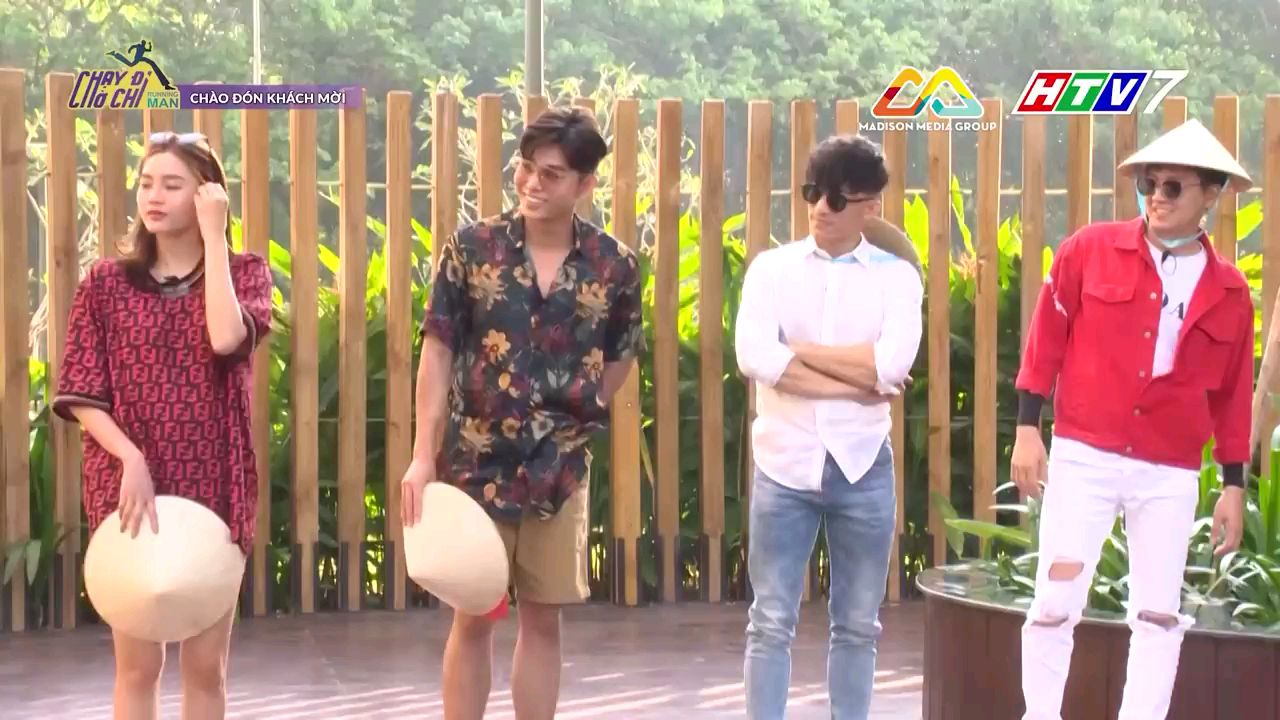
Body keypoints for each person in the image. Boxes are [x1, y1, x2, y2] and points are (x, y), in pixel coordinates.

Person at [399, 106, 643, 720]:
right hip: (477, 460)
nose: (532, 183)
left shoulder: (614, 266)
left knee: (543, 620)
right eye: (526, 168)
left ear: (585, 184)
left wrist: (581, 411)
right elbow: (437, 351)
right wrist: (422, 457)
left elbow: (620, 357)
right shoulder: (471, 249)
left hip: (559, 469)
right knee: (474, 614)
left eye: (551, 174)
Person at [1011, 118, 1252, 720]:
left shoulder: (1229, 291)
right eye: (1148, 184)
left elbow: (1232, 395)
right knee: (1053, 604)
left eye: (1172, 186)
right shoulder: (1088, 250)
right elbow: (1045, 340)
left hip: (1169, 471)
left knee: (1158, 617)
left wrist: (1233, 484)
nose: (1156, 197)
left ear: (1210, 194)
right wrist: (1026, 427)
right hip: (1083, 456)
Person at [52, 131, 273, 718]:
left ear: (207, 196)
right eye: (147, 182)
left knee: (205, 668)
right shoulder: (105, 284)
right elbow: (82, 391)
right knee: (138, 667)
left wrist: (215, 239)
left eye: (172, 185)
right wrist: (130, 458)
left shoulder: (245, 273)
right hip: (130, 490)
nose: (154, 196)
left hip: (214, 488)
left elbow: (226, 338)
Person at [735, 134, 924, 720]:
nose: (821, 208)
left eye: (838, 199)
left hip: (863, 467)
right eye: (812, 192)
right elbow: (754, 356)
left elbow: (891, 366)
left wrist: (798, 351)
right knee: (769, 620)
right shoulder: (770, 270)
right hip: (782, 465)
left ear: (870, 205)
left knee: (859, 625)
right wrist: (856, 383)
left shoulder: (897, 277)